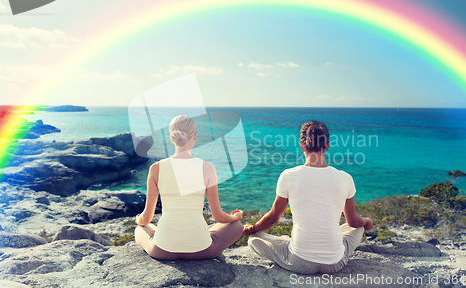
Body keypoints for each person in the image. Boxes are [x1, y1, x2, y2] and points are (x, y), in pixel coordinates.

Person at [242, 120, 373, 274]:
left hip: (299, 262)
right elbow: (352, 221)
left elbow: (273, 218)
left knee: (253, 240)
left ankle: (291, 242)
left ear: (302, 146)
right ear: (328, 146)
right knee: (358, 228)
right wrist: (367, 222)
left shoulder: (288, 176)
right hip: (335, 263)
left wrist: (252, 228)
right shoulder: (345, 178)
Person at [135, 115, 244, 260]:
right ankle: (201, 232)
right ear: (195, 135)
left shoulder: (156, 168)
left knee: (139, 229)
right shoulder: (208, 168)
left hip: (162, 250)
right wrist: (235, 216)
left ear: (171, 136)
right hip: (202, 250)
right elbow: (218, 216)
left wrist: (138, 220)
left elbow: (146, 219)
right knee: (237, 226)